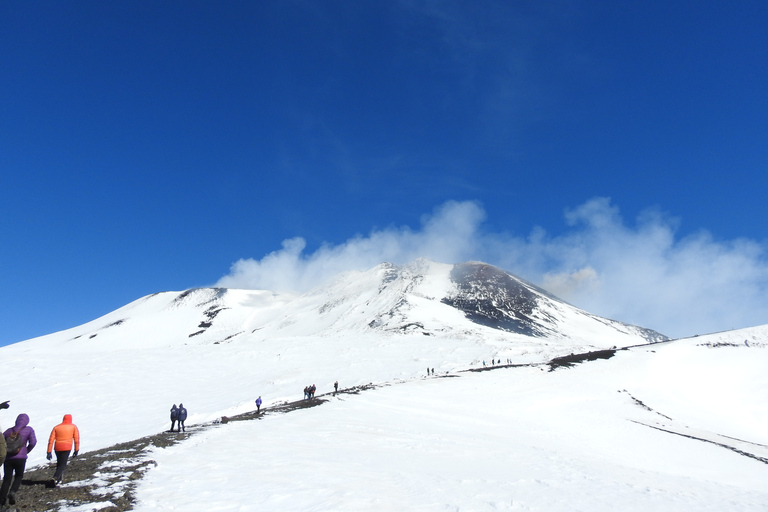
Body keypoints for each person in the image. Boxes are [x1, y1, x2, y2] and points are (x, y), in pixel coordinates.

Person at [1, 413, 36, 507]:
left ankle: (1, 500)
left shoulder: (8, 431)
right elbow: (33, 442)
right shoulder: (29, 430)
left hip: (8, 458)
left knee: (7, 479)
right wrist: (26, 451)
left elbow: (2, 443)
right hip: (21, 458)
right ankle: (12, 492)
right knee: (19, 476)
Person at [46, 414, 80, 486]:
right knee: (63, 464)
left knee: (59, 463)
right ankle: (55, 478)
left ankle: (59, 480)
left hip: (57, 448)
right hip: (67, 447)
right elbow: (76, 439)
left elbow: (51, 440)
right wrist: (76, 450)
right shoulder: (73, 427)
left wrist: (49, 451)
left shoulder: (56, 427)